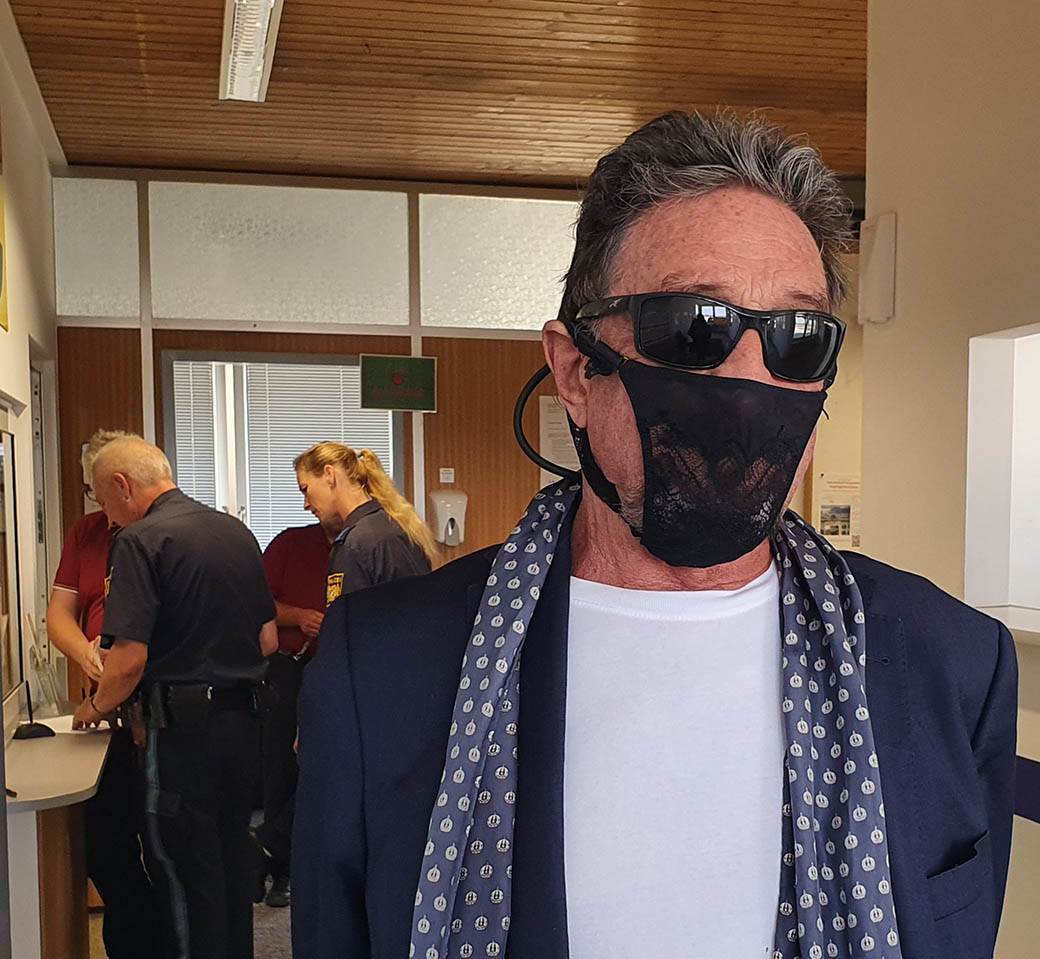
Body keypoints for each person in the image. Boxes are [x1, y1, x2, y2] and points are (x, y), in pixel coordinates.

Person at [293, 112, 1017, 959]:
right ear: (575, 370)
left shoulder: (949, 663)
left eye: (797, 338)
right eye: (694, 328)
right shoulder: (385, 669)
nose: (748, 378)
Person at [72, 437, 278, 959]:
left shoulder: (140, 540)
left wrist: (95, 707)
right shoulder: (236, 532)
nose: (105, 515)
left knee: (183, 870)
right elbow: (267, 640)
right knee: (230, 863)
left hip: (181, 734)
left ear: (123, 485)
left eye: (102, 499)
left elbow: (129, 661)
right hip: (243, 725)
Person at [48, 428, 161, 959]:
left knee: (160, 842)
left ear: (122, 484)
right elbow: (59, 615)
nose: (97, 504)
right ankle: (134, 937)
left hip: (154, 706)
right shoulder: (87, 533)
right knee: (106, 842)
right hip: (104, 708)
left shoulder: (160, 534)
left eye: (98, 491)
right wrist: (87, 655)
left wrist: (121, 654)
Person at [254, 513, 337, 908]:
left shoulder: (363, 547)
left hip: (335, 671)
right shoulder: (289, 544)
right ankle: (280, 870)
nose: (308, 504)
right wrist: (299, 617)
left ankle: (279, 848)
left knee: (323, 768)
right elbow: (257, 605)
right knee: (280, 769)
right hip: (287, 670)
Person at [292, 442, 436, 605]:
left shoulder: (356, 544)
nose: (306, 504)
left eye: (305, 489)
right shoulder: (397, 526)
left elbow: (346, 617)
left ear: (329, 475)